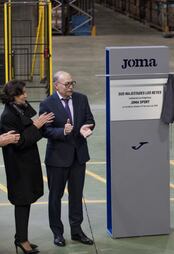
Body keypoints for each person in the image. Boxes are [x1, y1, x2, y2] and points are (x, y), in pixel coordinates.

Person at [39, 71, 95, 247]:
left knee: (77, 196)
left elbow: (90, 120)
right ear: (56, 85)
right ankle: (57, 233)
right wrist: (62, 131)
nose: (71, 87)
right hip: (57, 159)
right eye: (67, 84)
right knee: (55, 196)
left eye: (72, 83)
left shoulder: (81, 99)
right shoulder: (47, 104)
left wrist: (86, 128)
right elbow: (44, 130)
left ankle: (77, 231)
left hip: (78, 157)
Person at [0, 80, 54, 254]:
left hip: (27, 164)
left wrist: (22, 105)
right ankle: (22, 240)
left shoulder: (17, 109)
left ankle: (22, 237)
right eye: (22, 93)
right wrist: (37, 125)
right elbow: (20, 142)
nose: (26, 95)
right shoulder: (8, 116)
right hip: (18, 167)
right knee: (22, 202)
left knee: (26, 200)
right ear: (13, 97)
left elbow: (29, 115)